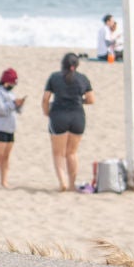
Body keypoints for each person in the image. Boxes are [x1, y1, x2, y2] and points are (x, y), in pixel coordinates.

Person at [42, 52, 95, 191]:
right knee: (72, 153)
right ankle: (72, 184)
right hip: (78, 116)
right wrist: (79, 100)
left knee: (58, 153)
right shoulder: (83, 78)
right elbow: (91, 99)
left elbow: (45, 99)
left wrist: (47, 112)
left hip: (59, 115)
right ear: (76, 65)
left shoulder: (54, 77)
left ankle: (63, 182)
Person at [0, 68, 24, 188]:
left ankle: (4, 182)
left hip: (9, 128)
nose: (13, 86)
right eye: (12, 83)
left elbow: (15, 110)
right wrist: (13, 104)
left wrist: (19, 105)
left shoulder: (11, 94)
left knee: (6, 157)